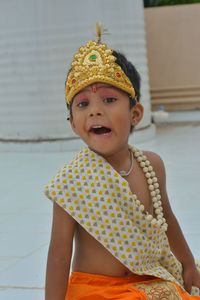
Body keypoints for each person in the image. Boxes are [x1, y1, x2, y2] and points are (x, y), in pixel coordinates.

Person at [44, 24, 200, 300]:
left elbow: (167, 220)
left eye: (109, 99)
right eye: (82, 104)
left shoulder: (151, 165)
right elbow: (58, 256)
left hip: (148, 277)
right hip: (96, 290)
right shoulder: (70, 182)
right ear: (73, 124)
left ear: (135, 113)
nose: (95, 111)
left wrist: (187, 262)